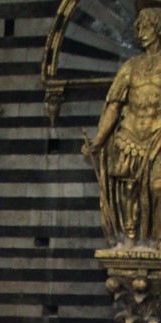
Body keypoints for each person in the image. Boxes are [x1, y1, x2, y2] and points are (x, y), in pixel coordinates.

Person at [83, 6, 161, 247]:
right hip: (129, 134)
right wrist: (98, 140)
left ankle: (155, 238)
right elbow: (114, 106)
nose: (140, 33)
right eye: (138, 27)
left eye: (146, 27)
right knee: (128, 188)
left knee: (157, 187)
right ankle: (130, 236)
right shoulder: (130, 67)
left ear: (158, 29)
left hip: (158, 135)